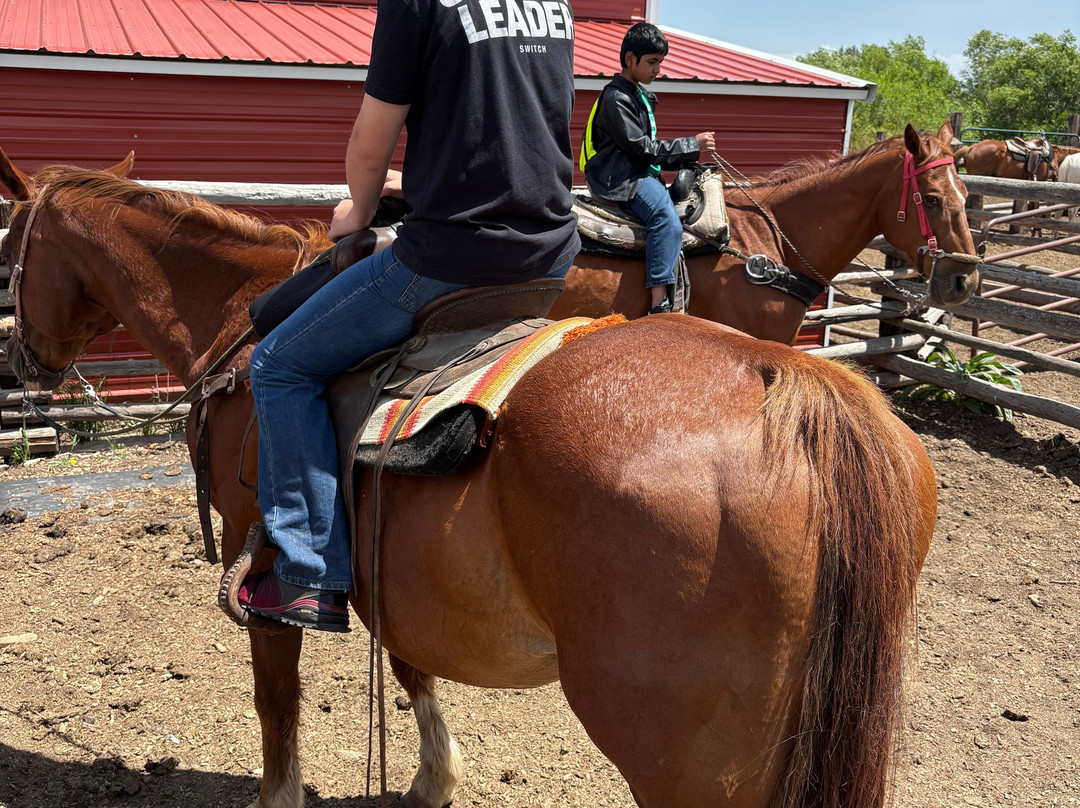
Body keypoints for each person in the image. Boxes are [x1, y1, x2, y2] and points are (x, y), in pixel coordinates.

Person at [238, 0, 581, 632]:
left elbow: (371, 146)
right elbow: (522, 128)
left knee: (279, 365)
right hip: (549, 258)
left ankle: (308, 574)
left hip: (452, 259)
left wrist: (357, 213)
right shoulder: (551, 6)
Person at [580, 22, 715, 314]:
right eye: (652, 62)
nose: (658, 69)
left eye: (660, 62)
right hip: (618, 177)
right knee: (664, 216)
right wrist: (692, 144)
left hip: (632, 169)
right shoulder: (617, 98)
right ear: (631, 60)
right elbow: (643, 149)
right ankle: (660, 303)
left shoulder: (635, 94)